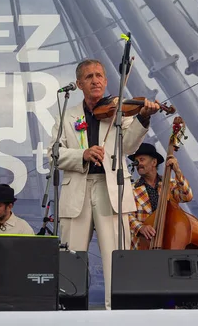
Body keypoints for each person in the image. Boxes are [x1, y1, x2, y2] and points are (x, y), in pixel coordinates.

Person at [48, 59, 160, 310]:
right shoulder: (67, 115)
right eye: (89, 76)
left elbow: (129, 146)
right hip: (77, 187)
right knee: (72, 258)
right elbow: (52, 154)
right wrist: (82, 155)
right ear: (79, 84)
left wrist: (142, 118)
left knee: (114, 256)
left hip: (110, 187)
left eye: (99, 75)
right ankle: (71, 313)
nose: (95, 80)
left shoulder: (119, 110)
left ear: (107, 81)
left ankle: (115, 313)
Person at [127, 143, 193, 249]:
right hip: (142, 246)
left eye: (142, 159)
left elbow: (187, 196)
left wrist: (177, 172)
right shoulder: (131, 189)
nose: (138, 163)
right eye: (136, 160)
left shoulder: (170, 184)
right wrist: (141, 227)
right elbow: (126, 215)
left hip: (170, 241)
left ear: (154, 162)